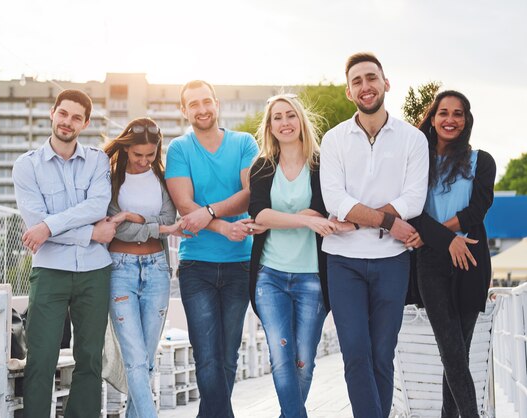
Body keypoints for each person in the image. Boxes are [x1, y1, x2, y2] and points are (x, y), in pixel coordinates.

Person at [319, 52, 429, 418]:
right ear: (349, 92)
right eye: (357, 81)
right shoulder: (333, 141)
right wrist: (387, 221)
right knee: (355, 353)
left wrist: (363, 219)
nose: (365, 86)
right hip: (343, 261)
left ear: (386, 83)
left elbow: (413, 199)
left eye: (371, 78)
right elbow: (335, 199)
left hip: (392, 261)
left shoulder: (413, 139)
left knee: (382, 354)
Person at [13, 89, 117, 418]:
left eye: (76, 117)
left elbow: (97, 205)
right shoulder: (26, 166)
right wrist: (89, 232)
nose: (67, 122)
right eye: (63, 113)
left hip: (94, 272)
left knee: (89, 358)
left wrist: (50, 226)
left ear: (85, 123)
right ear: (52, 113)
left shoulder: (98, 160)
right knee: (41, 357)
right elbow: (34, 223)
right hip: (50, 272)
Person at [165, 80, 259, 417]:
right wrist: (219, 224)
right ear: (184, 110)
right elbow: (184, 204)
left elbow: (251, 193)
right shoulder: (179, 149)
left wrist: (208, 212)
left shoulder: (244, 143)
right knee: (206, 355)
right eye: (194, 104)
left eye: (207, 101)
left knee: (228, 353)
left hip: (240, 262)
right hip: (197, 266)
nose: (202, 109)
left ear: (217, 104)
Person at [247, 93, 341, 417]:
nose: (285, 122)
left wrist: (288, 217)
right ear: (270, 126)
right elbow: (259, 215)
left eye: (290, 115)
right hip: (269, 274)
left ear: (301, 120)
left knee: (304, 359)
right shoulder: (261, 166)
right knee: (280, 355)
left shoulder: (320, 164)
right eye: (277, 117)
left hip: (312, 277)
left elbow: (327, 207)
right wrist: (304, 218)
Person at [406, 91, 496, 418]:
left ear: (466, 120)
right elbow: (412, 213)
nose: (450, 119)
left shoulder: (481, 161)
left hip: (470, 257)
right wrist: (446, 240)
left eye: (458, 114)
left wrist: (447, 237)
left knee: (459, 353)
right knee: (452, 353)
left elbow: (478, 209)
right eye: (443, 113)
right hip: (430, 262)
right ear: (432, 119)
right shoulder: (418, 161)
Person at [104, 117, 187, 417]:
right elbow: (116, 230)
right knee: (136, 360)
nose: (143, 161)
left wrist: (135, 217)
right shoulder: (110, 178)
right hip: (120, 271)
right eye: (137, 155)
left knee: (147, 360)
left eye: (149, 155)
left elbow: (168, 219)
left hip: (156, 271)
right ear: (127, 149)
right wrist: (159, 229)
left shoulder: (162, 179)